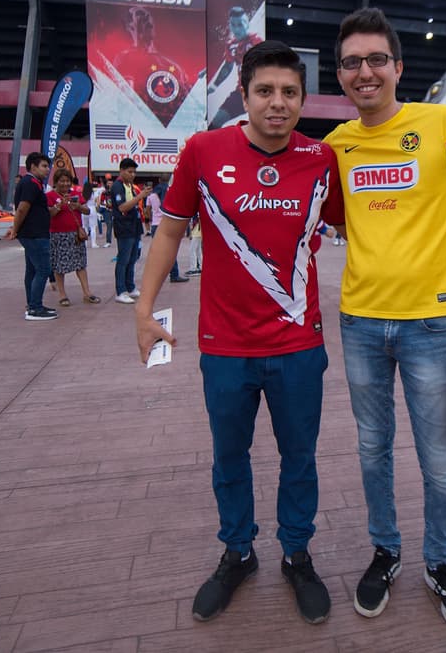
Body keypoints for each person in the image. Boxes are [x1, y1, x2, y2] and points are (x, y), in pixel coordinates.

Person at [134, 40, 337, 625]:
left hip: (300, 346)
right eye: (266, 92)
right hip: (225, 348)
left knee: (300, 457)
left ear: (302, 99)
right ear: (243, 96)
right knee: (230, 456)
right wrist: (143, 309)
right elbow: (170, 233)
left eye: (290, 93)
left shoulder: (322, 160)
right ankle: (239, 550)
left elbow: (367, 223)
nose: (278, 103)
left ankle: (296, 553)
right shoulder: (203, 150)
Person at [325, 8, 446, 636]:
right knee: (372, 449)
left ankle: (441, 562)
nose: (365, 71)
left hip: (430, 325)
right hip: (360, 323)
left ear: (398, 67)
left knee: (437, 459)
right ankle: (387, 551)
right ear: (341, 74)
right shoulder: (335, 148)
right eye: (352, 61)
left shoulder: (443, 124)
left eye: (377, 59)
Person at [5, 153, 59, 320]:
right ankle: (35, 308)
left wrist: (55, 209)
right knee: (43, 269)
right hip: (34, 235)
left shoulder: (34, 183)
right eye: (43, 166)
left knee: (32, 270)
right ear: (33, 167)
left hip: (34, 233)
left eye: (47, 166)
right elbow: (22, 208)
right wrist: (14, 228)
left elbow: (37, 209)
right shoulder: (30, 183)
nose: (47, 169)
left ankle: (33, 304)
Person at [46, 169, 99, 306]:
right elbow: (49, 214)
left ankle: (87, 293)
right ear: (56, 182)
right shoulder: (50, 196)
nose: (65, 184)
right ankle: (62, 295)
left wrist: (78, 206)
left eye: (67, 181)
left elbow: (87, 211)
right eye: (62, 181)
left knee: (80, 264)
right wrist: (59, 205)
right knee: (59, 266)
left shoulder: (75, 194)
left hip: (75, 235)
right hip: (58, 235)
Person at [109, 157, 145, 304]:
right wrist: (140, 197)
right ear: (121, 171)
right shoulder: (118, 186)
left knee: (132, 258)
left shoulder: (129, 185)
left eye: (134, 172)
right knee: (123, 259)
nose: (132, 175)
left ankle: (130, 287)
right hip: (124, 228)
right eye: (129, 172)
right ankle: (120, 290)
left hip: (134, 226)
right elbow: (122, 207)